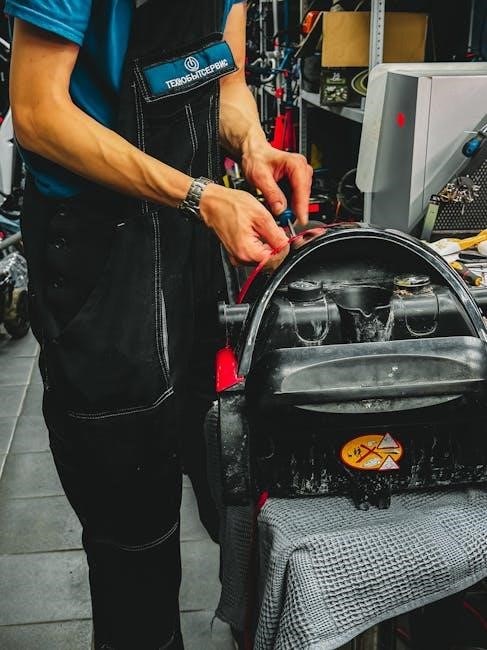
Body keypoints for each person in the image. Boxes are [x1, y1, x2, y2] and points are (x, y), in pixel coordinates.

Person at [6, 1, 313, 648]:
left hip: (189, 243)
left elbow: (223, 82)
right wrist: (199, 195)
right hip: (100, 254)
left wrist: (253, 146)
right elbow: (37, 113)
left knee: (224, 464)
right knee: (133, 536)